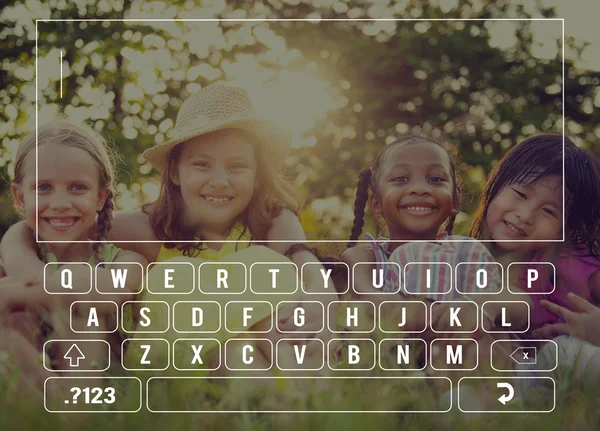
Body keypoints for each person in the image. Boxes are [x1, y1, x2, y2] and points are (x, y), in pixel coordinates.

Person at [0, 84, 336, 371]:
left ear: (257, 174)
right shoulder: (146, 228)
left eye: (237, 166)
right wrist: (16, 244)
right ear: (175, 172)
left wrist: (316, 304)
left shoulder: (272, 222)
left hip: (273, 344)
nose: (219, 181)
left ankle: (299, 394)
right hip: (190, 361)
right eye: (201, 164)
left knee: (263, 270)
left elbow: (313, 277)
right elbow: (65, 221)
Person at [2, 118, 147, 376]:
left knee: (84, 307)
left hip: (91, 381)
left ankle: (72, 409)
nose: (59, 203)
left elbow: (107, 293)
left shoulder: (125, 261)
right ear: (21, 197)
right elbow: (25, 270)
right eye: (43, 188)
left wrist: (13, 294)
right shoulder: (17, 244)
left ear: (100, 198)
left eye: (77, 188)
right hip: (24, 372)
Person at [470, 135, 600, 334]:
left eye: (548, 211)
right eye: (521, 194)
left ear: (563, 229)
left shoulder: (568, 265)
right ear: (496, 184)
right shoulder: (464, 255)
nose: (525, 215)